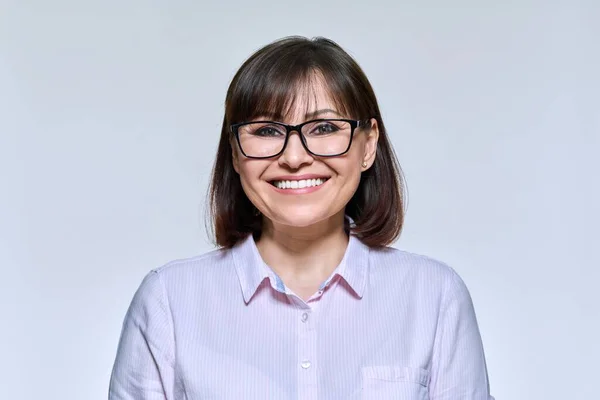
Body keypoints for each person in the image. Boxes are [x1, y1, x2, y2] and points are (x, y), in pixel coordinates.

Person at [109, 36, 494, 400]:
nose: (294, 157)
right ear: (235, 152)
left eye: (324, 127)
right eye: (266, 130)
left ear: (369, 144)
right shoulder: (169, 302)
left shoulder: (435, 297)